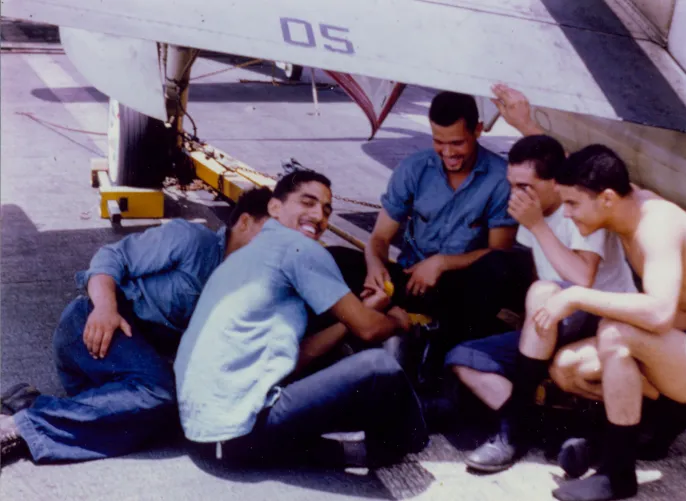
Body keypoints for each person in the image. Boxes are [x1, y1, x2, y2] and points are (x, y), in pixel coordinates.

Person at [531, 145, 686, 501]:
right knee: (567, 368)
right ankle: (651, 427)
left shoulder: (656, 224)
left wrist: (575, 297)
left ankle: (617, 473)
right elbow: (585, 165)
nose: (567, 214)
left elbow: (660, 313)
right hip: (675, 352)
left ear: (605, 198)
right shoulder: (620, 205)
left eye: (572, 205)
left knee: (617, 334)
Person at [0, 187, 274, 466]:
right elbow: (110, 258)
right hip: (95, 333)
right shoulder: (191, 240)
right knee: (158, 394)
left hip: (124, 379)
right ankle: (18, 427)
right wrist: (106, 307)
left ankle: (28, 404)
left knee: (163, 419)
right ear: (245, 222)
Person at [174, 170, 428, 469]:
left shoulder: (251, 253)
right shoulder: (298, 248)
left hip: (205, 438)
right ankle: (420, 426)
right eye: (307, 202)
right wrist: (397, 320)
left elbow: (294, 355)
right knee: (379, 366)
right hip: (239, 432)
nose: (319, 215)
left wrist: (352, 317)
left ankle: (350, 451)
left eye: (326, 209)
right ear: (274, 208)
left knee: (341, 370)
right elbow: (370, 329)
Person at [445, 132, 637, 473]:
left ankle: (513, 430)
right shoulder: (534, 212)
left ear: (554, 183)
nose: (516, 195)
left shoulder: (579, 209)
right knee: (463, 359)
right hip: (554, 321)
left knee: (545, 293)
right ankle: (546, 429)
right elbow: (541, 269)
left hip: (598, 316)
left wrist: (536, 225)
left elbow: (581, 278)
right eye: (512, 184)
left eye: (525, 186)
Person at [326, 89, 535, 376]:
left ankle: (438, 349)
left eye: (457, 143)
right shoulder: (414, 168)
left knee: (498, 270)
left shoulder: (500, 178)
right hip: (410, 281)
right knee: (332, 259)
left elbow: (499, 251)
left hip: (461, 290)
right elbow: (379, 238)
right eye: (439, 142)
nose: (448, 153)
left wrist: (442, 262)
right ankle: (355, 334)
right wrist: (375, 266)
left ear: (477, 130)